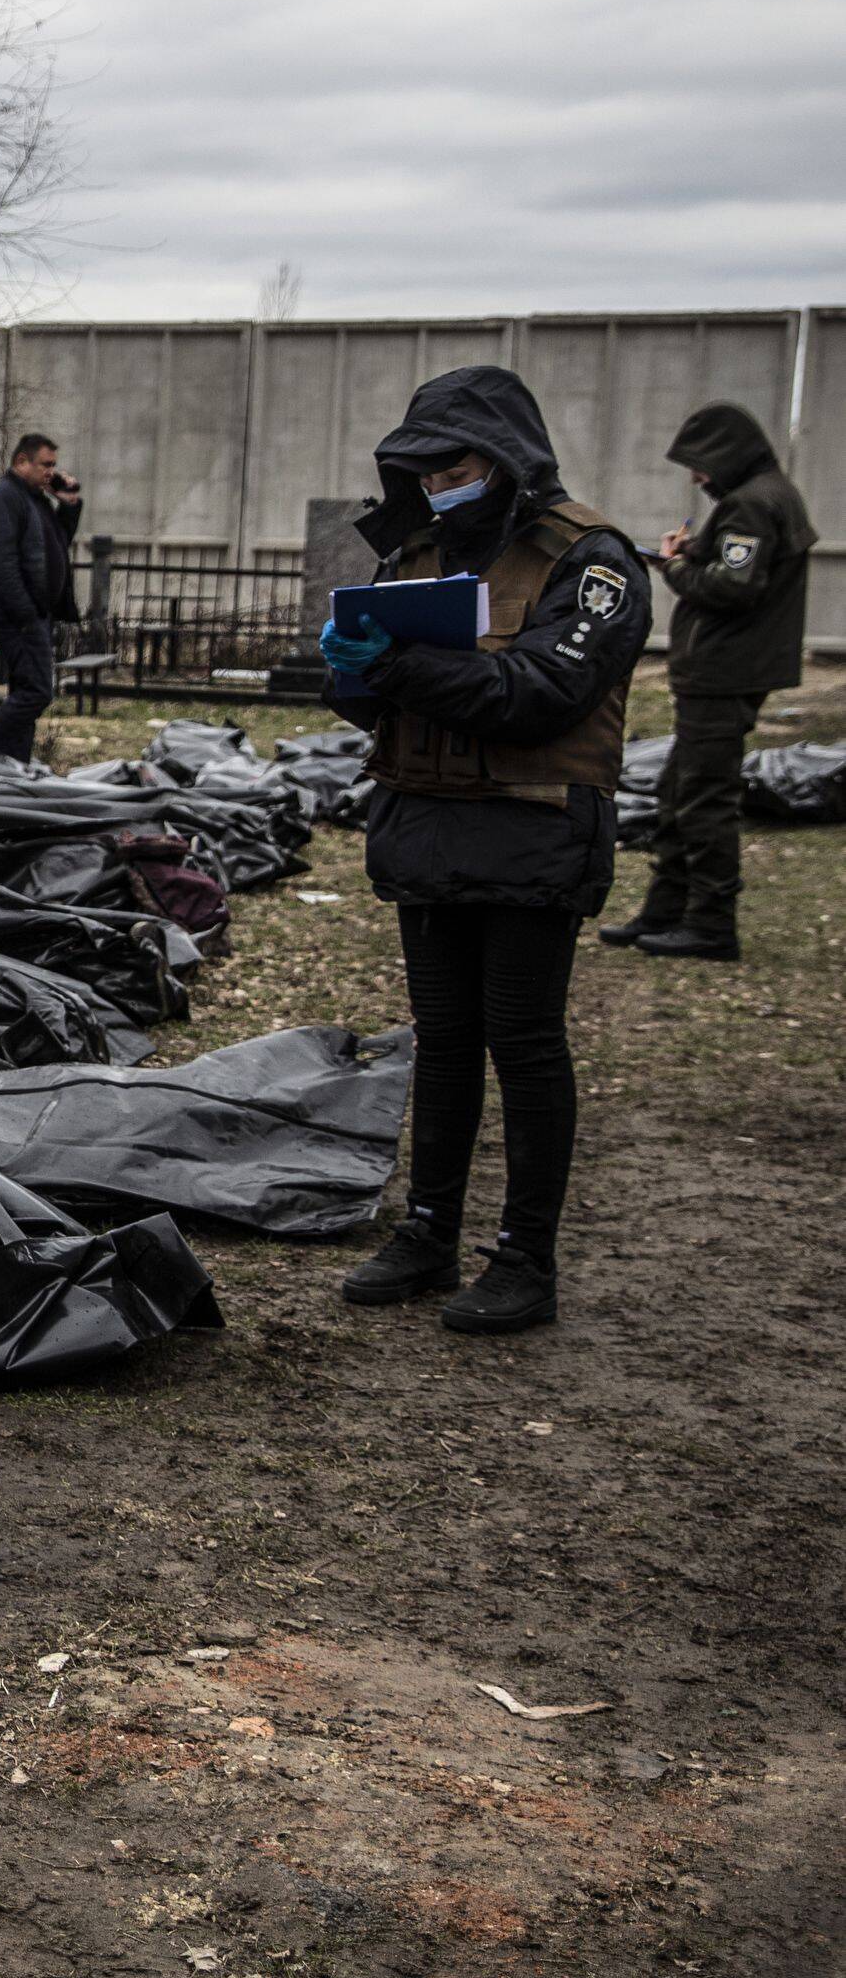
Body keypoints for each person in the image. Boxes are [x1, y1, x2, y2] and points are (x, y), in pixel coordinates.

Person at [318, 364, 648, 1336]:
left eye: (453, 469)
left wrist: (398, 664)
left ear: (505, 460)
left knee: (524, 1041)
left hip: (532, 831)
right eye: (421, 472)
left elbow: (543, 693)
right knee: (445, 1038)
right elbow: (381, 700)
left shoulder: (591, 561)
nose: (436, 487)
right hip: (426, 828)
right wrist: (351, 675)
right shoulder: (415, 554)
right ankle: (428, 1231)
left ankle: (524, 1259)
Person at [604, 402, 817, 961]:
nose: (697, 477)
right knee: (679, 788)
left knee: (703, 798)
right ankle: (665, 910)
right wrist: (697, 551)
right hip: (730, 668)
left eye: (700, 464)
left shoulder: (750, 503)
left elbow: (732, 587)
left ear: (727, 455)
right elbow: (739, 567)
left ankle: (710, 923)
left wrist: (673, 566)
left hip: (724, 671)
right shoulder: (767, 496)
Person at [0, 434, 83, 761]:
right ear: (22, 462)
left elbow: (57, 542)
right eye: (45, 464)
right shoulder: (3, 499)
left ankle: (13, 763)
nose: (51, 472)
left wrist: (69, 505)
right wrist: (26, 614)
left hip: (34, 614)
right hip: (17, 617)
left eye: (54, 465)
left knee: (25, 690)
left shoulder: (34, 500)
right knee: (37, 691)